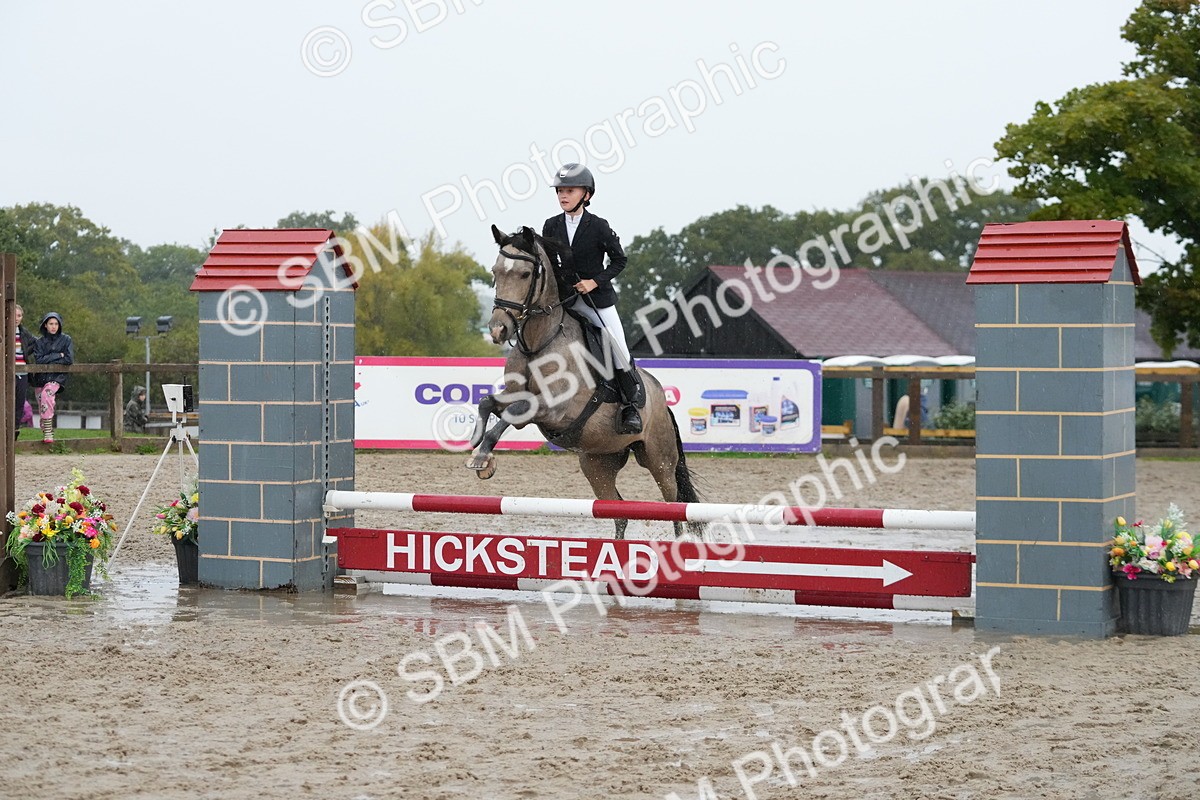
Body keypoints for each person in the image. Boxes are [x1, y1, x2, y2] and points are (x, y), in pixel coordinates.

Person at [541, 163, 643, 434]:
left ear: (586, 194)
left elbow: (620, 260)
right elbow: (550, 265)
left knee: (619, 347)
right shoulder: (551, 226)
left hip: (597, 300)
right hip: (566, 300)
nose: (563, 196)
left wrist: (594, 281)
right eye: (560, 191)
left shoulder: (598, 227)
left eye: (569, 191)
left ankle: (631, 405)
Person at [29, 311, 74, 443]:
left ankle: (48, 433)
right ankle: (46, 428)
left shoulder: (66, 340)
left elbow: (69, 359)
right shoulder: (40, 342)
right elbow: (39, 360)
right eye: (51, 324)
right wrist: (58, 355)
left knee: (46, 395)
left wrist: (50, 358)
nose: (54, 326)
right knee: (43, 403)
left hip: (57, 377)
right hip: (41, 378)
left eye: (56, 324)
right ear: (45, 325)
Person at [11, 303, 36, 440]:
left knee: (19, 403)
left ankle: (15, 430)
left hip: (23, 372)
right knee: (7, 401)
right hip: (9, 372)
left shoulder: (24, 333)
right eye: (14, 315)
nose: (16, 318)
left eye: (19, 315)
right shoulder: (4, 330)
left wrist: (27, 351)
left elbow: (36, 343)